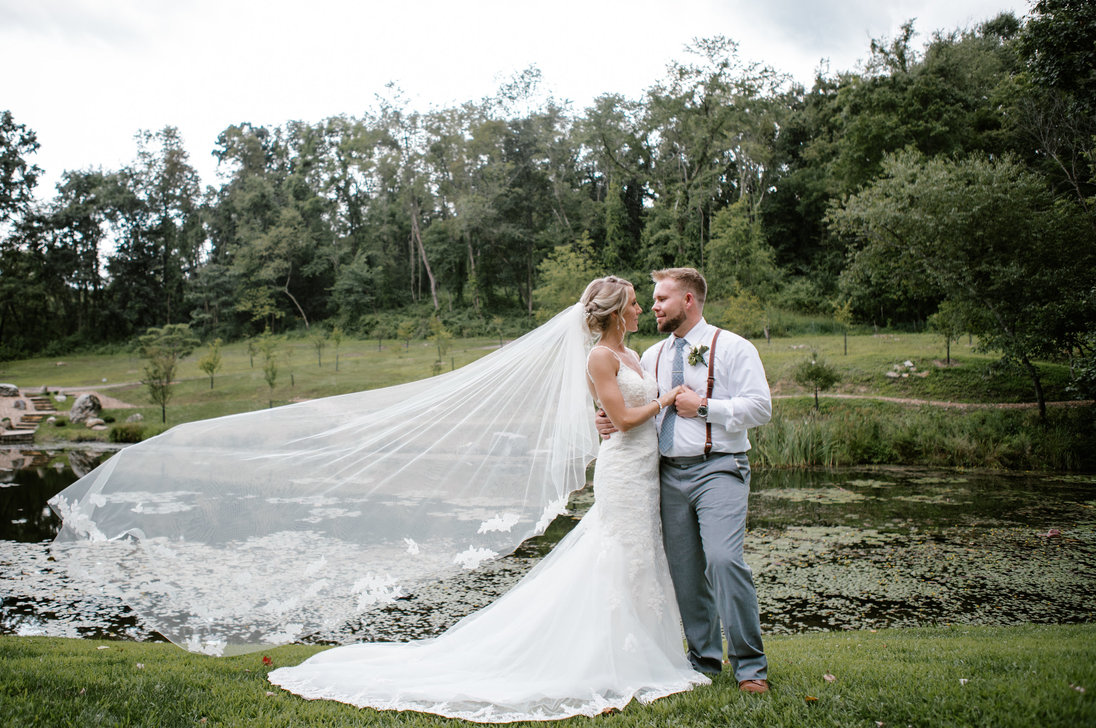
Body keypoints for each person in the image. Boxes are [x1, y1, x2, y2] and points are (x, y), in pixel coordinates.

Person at [267, 276, 708, 720]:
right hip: (622, 473)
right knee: (617, 556)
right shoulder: (598, 357)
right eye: (634, 304)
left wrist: (629, 411)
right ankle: (608, 657)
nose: (640, 311)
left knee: (640, 557)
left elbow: (620, 413)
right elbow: (625, 417)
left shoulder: (634, 355)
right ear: (616, 313)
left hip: (644, 472)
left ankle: (645, 653)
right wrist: (666, 399)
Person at [597, 267, 771, 693]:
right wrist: (604, 420)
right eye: (650, 301)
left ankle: (750, 667)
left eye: (661, 299)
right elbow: (631, 406)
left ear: (688, 301)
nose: (653, 307)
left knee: (723, 560)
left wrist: (707, 407)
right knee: (686, 572)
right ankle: (705, 662)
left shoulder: (732, 347)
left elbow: (761, 408)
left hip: (720, 467)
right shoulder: (650, 355)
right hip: (666, 474)